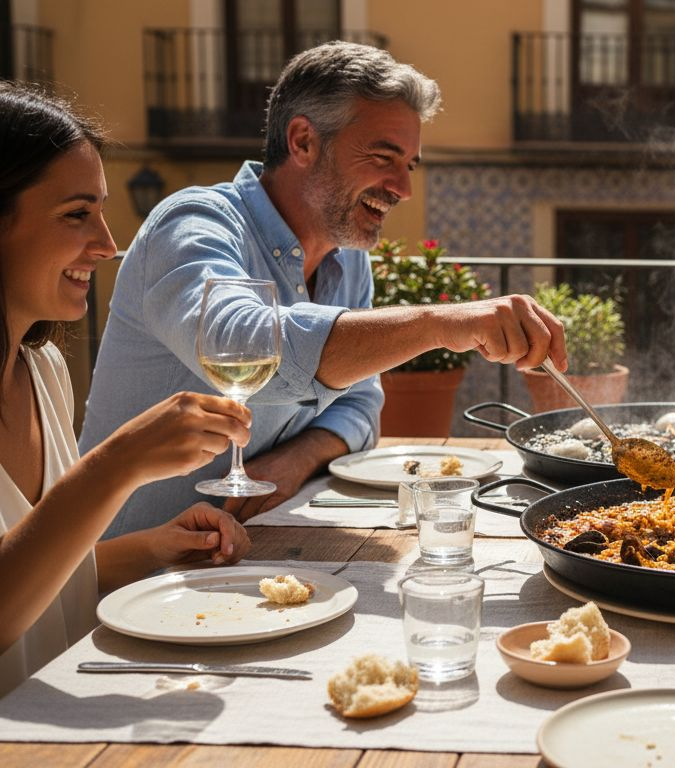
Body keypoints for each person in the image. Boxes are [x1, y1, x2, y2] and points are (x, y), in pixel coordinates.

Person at [82, 42, 567, 535]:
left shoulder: (348, 259)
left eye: (410, 165)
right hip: (124, 575)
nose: (403, 188)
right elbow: (240, 346)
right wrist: (442, 322)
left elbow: (360, 403)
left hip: (249, 556)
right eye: (383, 157)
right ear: (303, 142)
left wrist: (296, 459)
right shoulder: (193, 223)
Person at [0, 84, 253, 696]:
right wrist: (120, 461)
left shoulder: (44, 371)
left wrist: (154, 551)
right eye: (76, 214)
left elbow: (37, 575)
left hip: (63, 720)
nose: (109, 244)